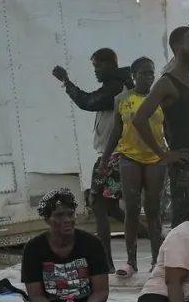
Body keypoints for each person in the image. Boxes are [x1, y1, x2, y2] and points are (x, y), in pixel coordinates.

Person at [52, 48, 132, 267]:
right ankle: (154, 240)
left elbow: (87, 101)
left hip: (111, 156)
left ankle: (106, 262)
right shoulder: (118, 84)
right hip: (117, 154)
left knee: (97, 205)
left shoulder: (115, 88)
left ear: (111, 64)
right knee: (113, 208)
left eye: (98, 66)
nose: (95, 71)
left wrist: (66, 82)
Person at [133, 27, 189, 229]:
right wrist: (164, 154)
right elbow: (139, 118)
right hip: (185, 164)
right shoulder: (167, 83)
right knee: (185, 224)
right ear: (178, 47)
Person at [115, 56, 183, 276]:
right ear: (134, 75)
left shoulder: (160, 99)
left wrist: (168, 153)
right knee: (132, 209)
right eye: (144, 73)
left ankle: (156, 260)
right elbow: (116, 131)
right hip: (129, 157)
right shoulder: (122, 99)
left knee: (154, 209)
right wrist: (107, 158)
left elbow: (170, 127)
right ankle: (131, 262)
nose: (149, 77)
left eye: (151, 73)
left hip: (155, 159)